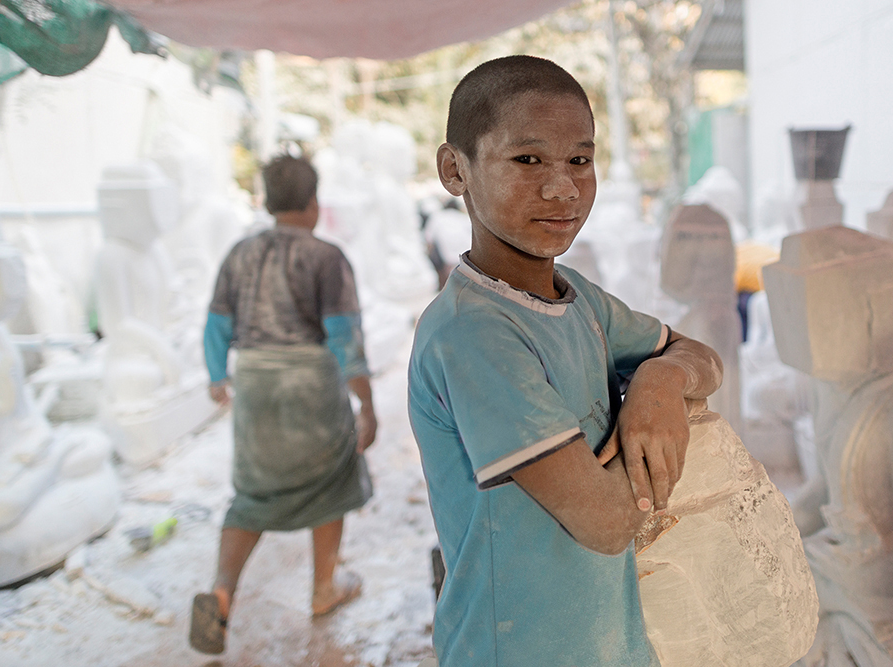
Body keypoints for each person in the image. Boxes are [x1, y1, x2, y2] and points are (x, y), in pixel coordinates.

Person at [407, 55, 724, 666]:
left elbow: (702, 357)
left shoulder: (575, 298)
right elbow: (606, 523)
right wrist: (651, 419)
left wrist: (661, 380)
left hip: (611, 642)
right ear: (455, 168)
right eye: (528, 160)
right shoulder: (472, 333)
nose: (564, 189)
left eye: (580, 160)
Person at [190, 154, 377, 655]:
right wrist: (367, 404)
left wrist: (215, 377)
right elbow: (344, 339)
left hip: (253, 384)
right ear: (314, 203)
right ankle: (323, 590)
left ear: (268, 203)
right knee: (332, 480)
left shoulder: (240, 254)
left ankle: (221, 592)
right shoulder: (327, 257)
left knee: (252, 492)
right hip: (310, 384)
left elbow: (215, 325)